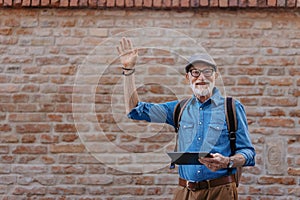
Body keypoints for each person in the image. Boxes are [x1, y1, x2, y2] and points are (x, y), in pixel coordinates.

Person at [117, 37, 256, 200]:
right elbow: (134, 110)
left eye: (207, 72)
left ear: (215, 75)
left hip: (221, 191)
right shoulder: (178, 109)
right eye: (195, 72)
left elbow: (249, 153)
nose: (201, 77)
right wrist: (128, 70)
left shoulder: (231, 107)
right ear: (187, 77)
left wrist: (227, 161)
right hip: (185, 192)